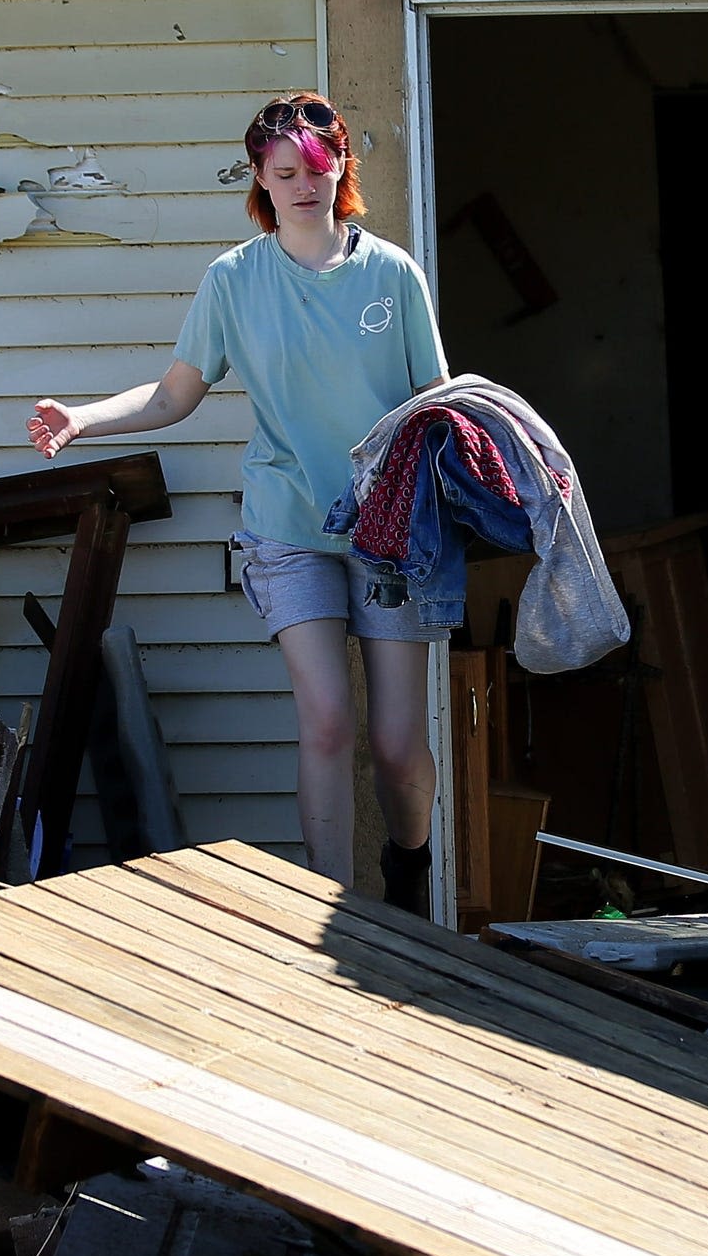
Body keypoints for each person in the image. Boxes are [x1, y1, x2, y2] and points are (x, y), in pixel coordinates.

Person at [26, 93, 449, 913]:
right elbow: (174, 393)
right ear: (260, 177)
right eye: (284, 172)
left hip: (394, 534)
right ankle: (341, 918)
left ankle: (411, 877)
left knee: (398, 747)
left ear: (341, 173)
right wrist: (82, 417)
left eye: (318, 171)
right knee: (325, 719)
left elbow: (436, 400)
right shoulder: (233, 279)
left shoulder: (392, 274)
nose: (303, 187)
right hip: (288, 526)